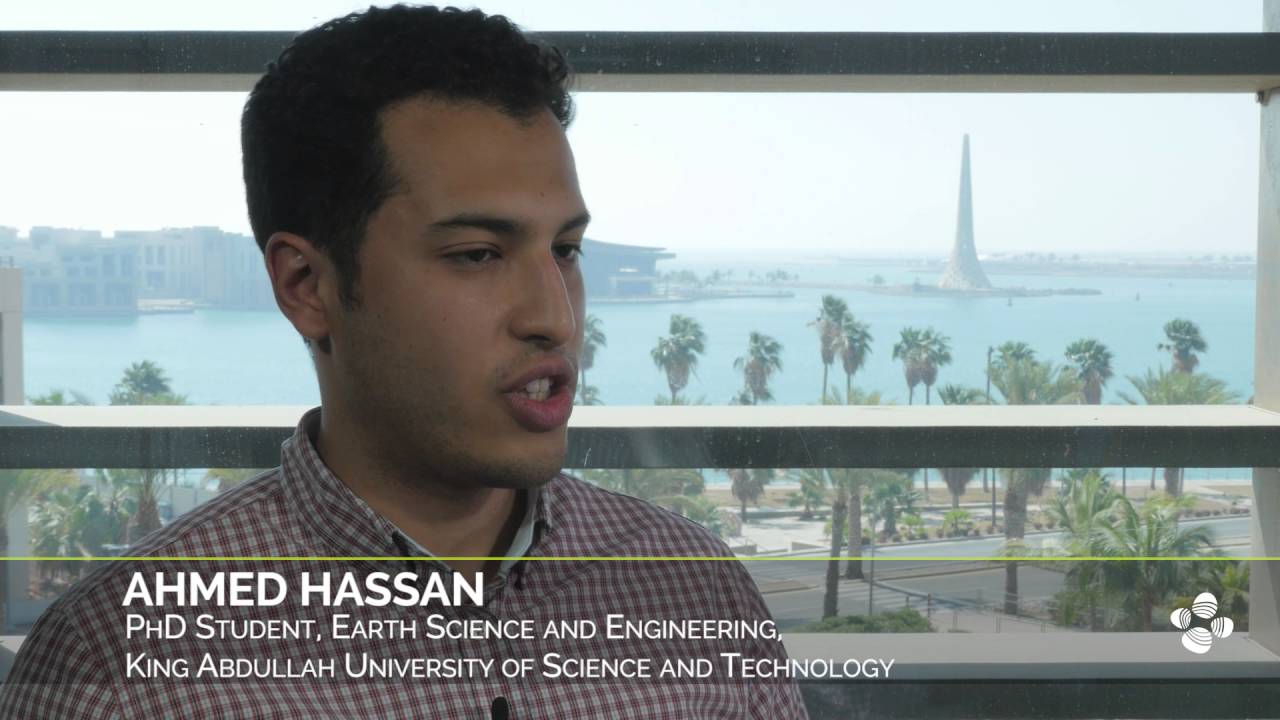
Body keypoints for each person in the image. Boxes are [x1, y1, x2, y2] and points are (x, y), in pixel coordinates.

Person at [0, 5, 808, 718]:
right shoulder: (119, 667)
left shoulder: (694, 585)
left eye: (565, 250)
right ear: (307, 286)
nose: (556, 319)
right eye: (477, 254)